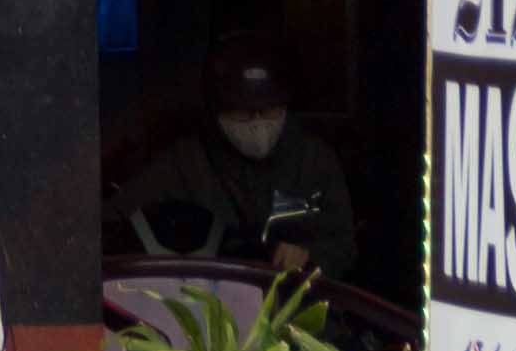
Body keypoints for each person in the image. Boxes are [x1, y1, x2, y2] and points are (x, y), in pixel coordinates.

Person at [113, 39, 359, 283]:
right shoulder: (187, 162)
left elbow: (344, 243)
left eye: (269, 111)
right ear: (218, 112)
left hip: (296, 303)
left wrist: (309, 257)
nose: (258, 123)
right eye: (243, 113)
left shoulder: (314, 159)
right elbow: (116, 218)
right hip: (215, 303)